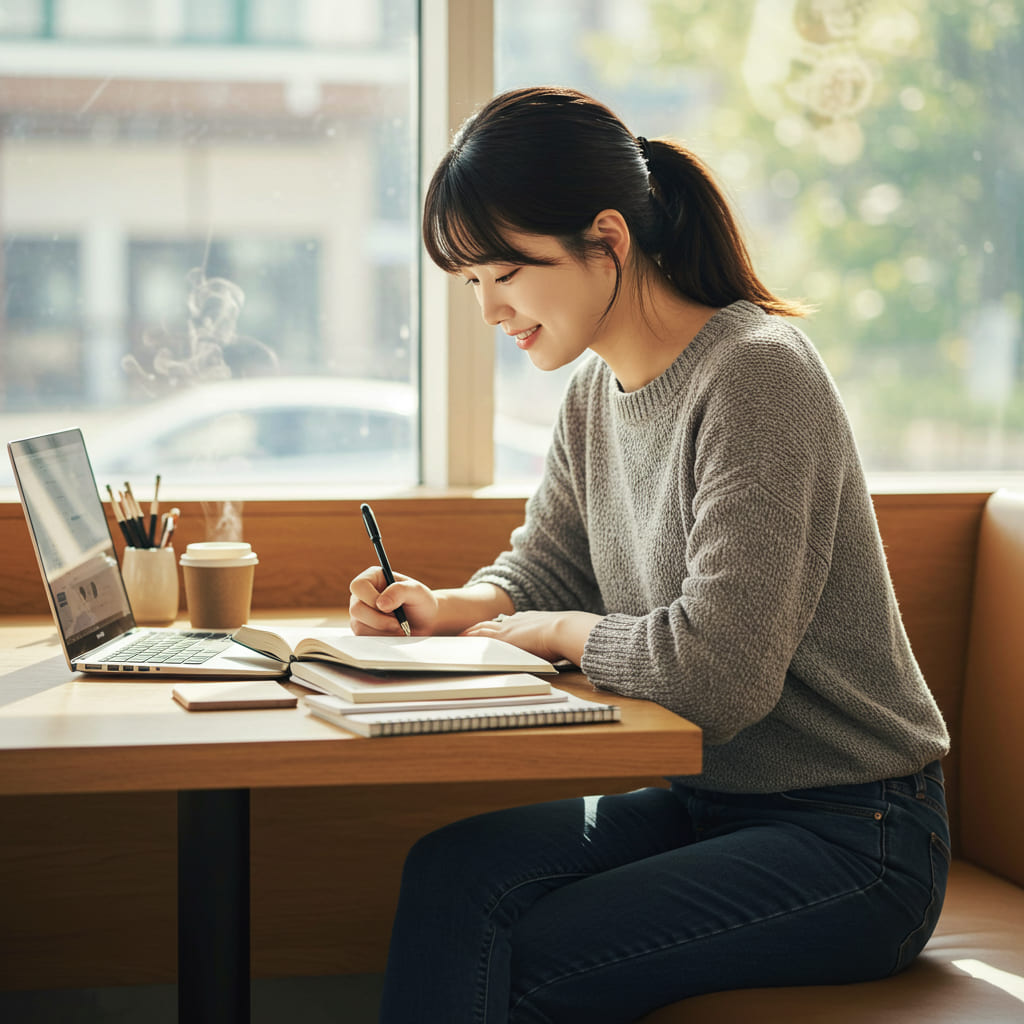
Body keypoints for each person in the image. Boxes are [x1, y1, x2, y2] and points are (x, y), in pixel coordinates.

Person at [348, 86, 951, 1024]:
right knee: (451, 870)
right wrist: (453, 606)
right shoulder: (595, 393)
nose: (487, 309)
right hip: (710, 804)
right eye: (469, 283)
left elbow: (719, 676)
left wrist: (554, 632)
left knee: (531, 959)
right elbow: (547, 566)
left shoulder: (756, 375)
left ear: (608, 240)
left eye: (505, 271)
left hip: (856, 836)